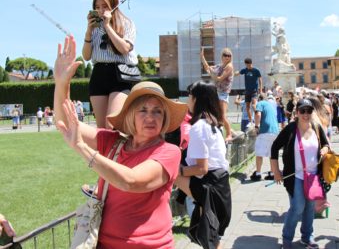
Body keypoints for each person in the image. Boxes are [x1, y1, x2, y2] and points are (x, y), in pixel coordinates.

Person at [54, 35, 186, 248]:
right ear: (130, 116)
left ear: (164, 119)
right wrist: (61, 84)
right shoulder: (113, 142)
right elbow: (65, 123)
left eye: (157, 111)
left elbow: (131, 181)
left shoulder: (168, 151)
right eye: (143, 110)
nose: (150, 117)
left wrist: (82, 148)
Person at [174, 81, 231, 249]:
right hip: (220, 186)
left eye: (189, 97)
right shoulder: (213, 124)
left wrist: (180, 170)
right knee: (212, 239)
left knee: (170, 172)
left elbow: (201, 168)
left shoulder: (198, 127)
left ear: (197, 99)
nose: (187, 101)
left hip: (209, 187)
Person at [270, 98, 330, 249]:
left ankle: (307, 237)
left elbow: (326, 144)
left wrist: (325, 150)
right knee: (297, 207)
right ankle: (287, 239)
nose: (305, 114)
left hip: (313, 175)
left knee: (310, 207)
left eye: (309, 111)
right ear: (297, 113)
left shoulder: (316, 127)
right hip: (295, 176)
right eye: (302, 111)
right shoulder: (290, 129)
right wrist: (276, 171)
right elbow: (274, 147)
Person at [82, 0, 138, 129]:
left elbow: (124, 48)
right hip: (99, 73)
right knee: (102, 129)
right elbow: (86, 56)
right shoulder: (94, 27)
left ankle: (120, 151)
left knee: (112, 124)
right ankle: (102, 152)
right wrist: (88, 32)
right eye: (97, 7)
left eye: (105, 6)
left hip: (120, 74)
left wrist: (108, 26)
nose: (101, 10)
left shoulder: (127, 23)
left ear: (114, 5)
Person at [200, 47, 234, 141]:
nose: (227, 57)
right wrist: (202, 58)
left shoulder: (229, 66)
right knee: (216, 115)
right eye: (225, 55)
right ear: (222, 56)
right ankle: (223, 131)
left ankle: (229, 134)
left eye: (229, 55)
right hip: (216, 93)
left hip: (223, 94)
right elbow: (208, 68)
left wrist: (212, 74)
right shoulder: (220, 66)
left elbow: (219, 79)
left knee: (222, 116)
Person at [250, 93, 280, 181]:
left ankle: (258, 173)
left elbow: (258, 114)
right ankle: (272, 173)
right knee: (271, 153)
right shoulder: (269, 105)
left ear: (258, 99)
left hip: (265, 130)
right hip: (275, 130)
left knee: (259, 153)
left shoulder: (260, 103)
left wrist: (256, 126)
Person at [234, 58, 262, 125]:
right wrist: (232, 73)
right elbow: (238, 73)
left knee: (254, 105)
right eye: (246, 65)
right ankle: (251, 121)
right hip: (247, 91)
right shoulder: (245, 70)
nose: (247, 66)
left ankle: (258, 118)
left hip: (254, 91)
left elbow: (260, 79)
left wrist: (260, 89)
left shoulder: (256, 70)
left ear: (251, 63)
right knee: (247, 107)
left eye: (248, 65)